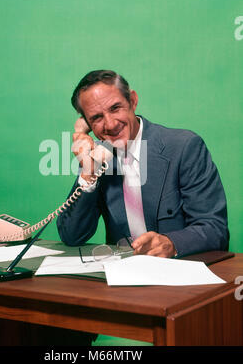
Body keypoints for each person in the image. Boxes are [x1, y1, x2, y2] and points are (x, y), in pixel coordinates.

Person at [57, 70, 229, 258]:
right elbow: (71, 236)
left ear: (132, 100)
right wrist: (88, 173)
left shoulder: (184, 147)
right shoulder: (99, 159)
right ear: (86, 124)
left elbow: (215, 230)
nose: (111, 124)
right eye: (96, 117)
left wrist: (172, 244)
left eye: (115, 108)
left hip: (179, 274)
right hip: (122, 278)